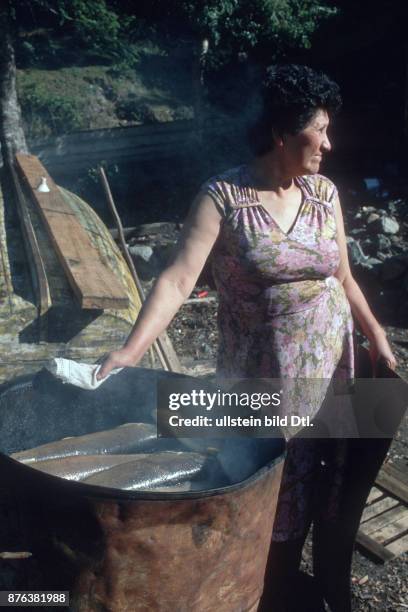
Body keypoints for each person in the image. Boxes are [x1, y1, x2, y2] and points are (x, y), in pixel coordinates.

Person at [97, 64, 397, 610]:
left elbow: (345, 276)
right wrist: (130, 351)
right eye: (320, 130)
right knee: (269, 497)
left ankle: (323, 586)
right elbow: (178, 279)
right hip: (264, 378)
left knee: (333, 487)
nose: (329, 143)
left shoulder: (324, 193)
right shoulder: (224, 196)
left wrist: (376, 334)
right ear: (283, 133)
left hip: (333, 366)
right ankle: (262, 589)